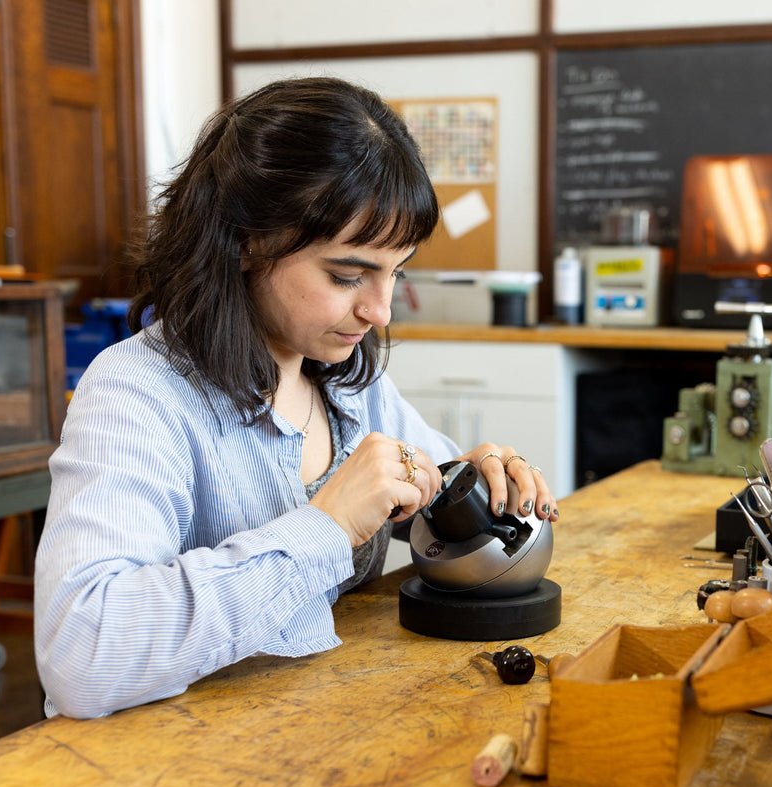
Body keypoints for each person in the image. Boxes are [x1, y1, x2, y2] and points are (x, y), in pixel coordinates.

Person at [34, 76, 557, 719]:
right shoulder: (135, 394)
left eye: (396, 272)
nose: (380, 311)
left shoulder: (345, 381)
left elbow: (428, 499)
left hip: (312, 727)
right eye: (346, 275)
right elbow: (81, 656)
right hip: (160, 769)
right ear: (250, 240)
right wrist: (327, 526)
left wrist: (472, 488)